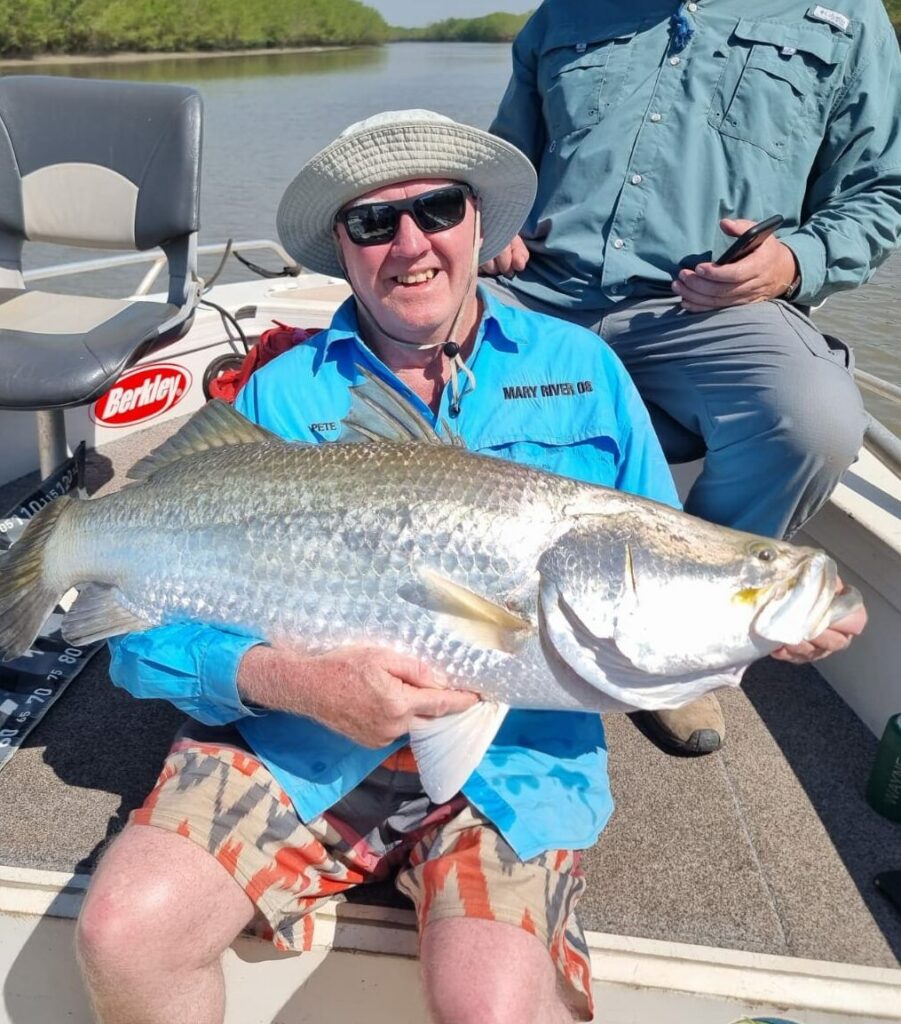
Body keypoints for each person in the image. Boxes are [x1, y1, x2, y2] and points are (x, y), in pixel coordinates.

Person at [74, 109, 690, 1024]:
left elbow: (667, 568)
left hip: (515, 761)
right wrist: (288, 678)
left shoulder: (586, 367)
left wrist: (778, 616)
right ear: (342, 246)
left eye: (438, 209)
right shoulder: (282, 391)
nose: (411, 244)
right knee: (125, 932)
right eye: (374, 222)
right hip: (296, 748)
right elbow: (137, 649)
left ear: (481, 225)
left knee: (490, 1008)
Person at [482, 0, 897, 756]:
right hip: (541, 293)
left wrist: (795, 260)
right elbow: (504, 160)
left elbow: (881, 193)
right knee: (391, 351)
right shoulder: (561, 14)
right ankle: (455, 626)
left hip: (703, 310)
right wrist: (496, 218)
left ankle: (683, 651)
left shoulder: (848, 17)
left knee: (811, 417)